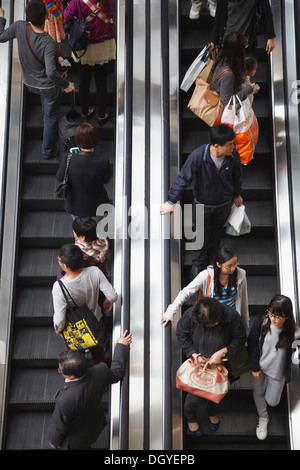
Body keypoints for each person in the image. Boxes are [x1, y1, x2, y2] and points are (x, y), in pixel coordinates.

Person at [160, 124, 243, 280]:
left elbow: (237, 177)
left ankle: (213, 258)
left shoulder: (233, 156)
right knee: (199, 233)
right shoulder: (198, 157)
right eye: (229, 144)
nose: (233, 147)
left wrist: (237, 194)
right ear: (216, 146)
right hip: (203, 204)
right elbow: (183, 179)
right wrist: (172, 201)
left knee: (217, 231)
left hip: (224, 204)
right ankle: (197, 263)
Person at [0, 1, 75, 160]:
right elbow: (51, 72)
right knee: (51, 119)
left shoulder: (19, 27)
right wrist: (66, 84)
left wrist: (1, 19)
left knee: (47, 110)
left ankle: (45, 114)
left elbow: (1, 37)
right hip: (48, 87)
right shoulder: (46, 41)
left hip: (29, 83)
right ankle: (47, 151)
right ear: (47, 16)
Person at [49, 329, 132, 450]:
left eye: (60, 370)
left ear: (71, 376)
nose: (59, 370)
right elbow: (117, 372)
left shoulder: (65, 400)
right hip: (94, 427)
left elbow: (59, 427)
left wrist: (54, 444)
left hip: (75, 441)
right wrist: (121, 346)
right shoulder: (101, 371)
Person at [176, 296, 246, 435]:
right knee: (193, 397)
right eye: (208, 325)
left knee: (219, 390)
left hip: (223, 364)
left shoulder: (231, 316)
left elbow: (240, 338)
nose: (212, 326)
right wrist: (194, 354)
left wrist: (222, 352)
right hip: (200, 364)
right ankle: (190, 419)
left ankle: (212, 411)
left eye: (214, 323)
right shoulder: (190, 315)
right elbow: (182, 334)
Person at [52, 244, 118, 364]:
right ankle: (102, 371)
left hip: (75, 327)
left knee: (76, 356)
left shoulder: (59, 287)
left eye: (59, 259)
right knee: (98, 350)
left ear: (65, 266)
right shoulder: (95, 271)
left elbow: (60, 318)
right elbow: (113, 295)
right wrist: (109, 301)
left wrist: (58, 329)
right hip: (95, 319)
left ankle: (80, 375)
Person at [247, 295, 300, 440]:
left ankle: (266, 404)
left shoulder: (295, 333)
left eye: (279, 317)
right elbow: (251, 344)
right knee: (258, 393)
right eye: (271, 314)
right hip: (260, 368)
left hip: (277, 373)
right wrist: (254, 367)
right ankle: (263, 418)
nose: (274, 319)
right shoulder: (261, 322)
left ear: (287, 316)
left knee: (273, 401)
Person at [162, 246, 249, 329]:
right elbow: (186, 292)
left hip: (231, 318)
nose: (233, 268)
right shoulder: (207, 275)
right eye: (229, 266)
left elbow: (244, 299)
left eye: (235, 263)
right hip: (212, 318)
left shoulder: (240, 274)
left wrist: (244, 323)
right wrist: (170, 312)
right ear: (218, 264)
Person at [64, 0, 116, 125]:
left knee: (84, 80)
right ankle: (102, 115)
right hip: (103, 44)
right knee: (101, 81)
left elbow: (66, 17)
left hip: (84, 45)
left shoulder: (77, 1)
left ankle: (85, 112)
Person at [56, 123, 112, 219]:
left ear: (77, 140)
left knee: (78, 228)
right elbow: (106, 180)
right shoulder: (104, 161)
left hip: (75, 204)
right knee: (96, 229)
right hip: (97, 205)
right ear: (97, 141)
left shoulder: (69, 157)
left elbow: (59, 177)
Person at [210, 31, 256, 107]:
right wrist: (247, 90)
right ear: (239, 52)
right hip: (231, 113)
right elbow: (226, 101)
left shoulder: (221, 58)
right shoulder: (228, 74)